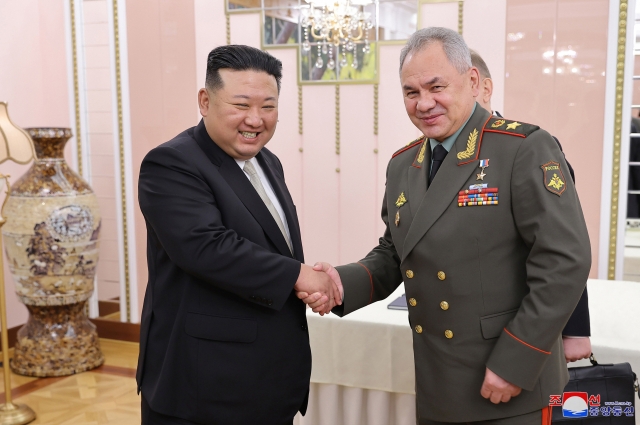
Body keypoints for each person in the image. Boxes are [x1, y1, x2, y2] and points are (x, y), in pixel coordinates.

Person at [300, 28, 591, 424]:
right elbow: (396, 252)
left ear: (472, 81)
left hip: (509, 383)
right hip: (438, 381)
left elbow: (564, 261)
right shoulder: (404, 164)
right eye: (410, 92)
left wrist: (516, 360)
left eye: (437, 87)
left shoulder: (522, 148)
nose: (424, 104)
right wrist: (339, 283)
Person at [136, 45, 340, 425]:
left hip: (265, 382)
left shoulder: (267, 161)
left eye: (268, 106)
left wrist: (305, 279)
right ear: (204, 100)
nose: (256, 119)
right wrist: (299, 275)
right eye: (241, 104)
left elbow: (270, 245)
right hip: (204, 388)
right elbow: (205, 247)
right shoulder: (172, 163)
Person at [470, 49, 592, 363]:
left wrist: (576, 329)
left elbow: (561, 241)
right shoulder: (434, 158)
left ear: (485, 88)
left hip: (521, 322)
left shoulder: (527, 147)